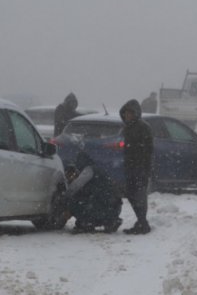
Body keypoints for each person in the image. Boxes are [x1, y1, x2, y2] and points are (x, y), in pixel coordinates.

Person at [65, 152, 123, 233]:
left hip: (100, 204)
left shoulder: (89, 170)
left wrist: (66, 195)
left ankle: (87, 223)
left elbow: (76, 186)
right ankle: (110, 221)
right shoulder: (99, 170)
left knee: (75, 200)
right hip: (114, 206)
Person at [119, 99, 153, 235]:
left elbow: (148, 150)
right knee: (132, 195)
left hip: (140, 168)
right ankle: (141, 222)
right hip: (129, 167)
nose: (127, 115)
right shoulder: (126, 128)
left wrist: (145, 168)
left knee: (139, 196)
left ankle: (143, 223)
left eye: (130, 113)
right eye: (126, 113)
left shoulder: (143, 128)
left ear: (135, 113)